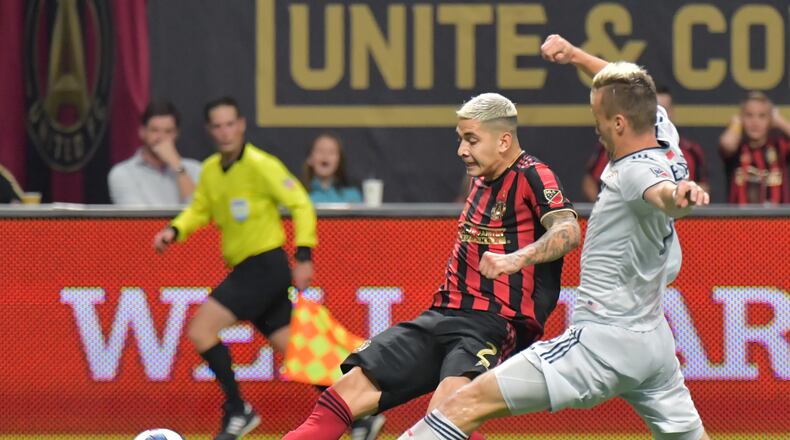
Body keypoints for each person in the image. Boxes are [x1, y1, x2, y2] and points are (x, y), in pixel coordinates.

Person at [399, 37, 711, 440]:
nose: (595, 126)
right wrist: (575, 56)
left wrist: (680, 197)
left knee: (462, 405)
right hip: (653, 343)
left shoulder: (636, 171)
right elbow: (629, 83)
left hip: (601, 343)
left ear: (618, 123)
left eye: (598, 116)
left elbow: (663, 196)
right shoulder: (661, 130)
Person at [284, 93, 581, 440]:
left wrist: (516, 258)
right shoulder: (480, 178)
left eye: (471, 139)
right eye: (460, 139)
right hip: (441, 314)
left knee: (441, 422)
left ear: (503, 140)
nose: (461, 150)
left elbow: (568, 230)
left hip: (491, 325)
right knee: (340, 395)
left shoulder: (534, 175)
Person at [153, 96, 318, 440]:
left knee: (201, 331)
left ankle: (238, 410)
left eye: (231, 124)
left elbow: (300, 203)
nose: (226, 132)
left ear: (242, 125)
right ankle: (357, 412)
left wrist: (303, 256)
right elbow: (200, 209)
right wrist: (176, 229)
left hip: (263, 266)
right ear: (209, 130)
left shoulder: (261, 165)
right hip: (250, 268)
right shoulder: (213, 170)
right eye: (218, 126)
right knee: (295, 351)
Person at [581, 86, 709, 202]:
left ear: (671, 112)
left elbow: (664, 191)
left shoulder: (685, 148)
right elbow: (590, 183)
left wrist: (680, 196)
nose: (658, 117)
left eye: (662, 112)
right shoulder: (622, 149)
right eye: (654, 112)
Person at [108, 100, 201, 206]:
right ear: (142, 132)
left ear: (176, 134)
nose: (161, 138)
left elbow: (198, 212)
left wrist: (177, 165)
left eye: (168, 131)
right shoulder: (123, 173)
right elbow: (136, 218)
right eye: (155, 130)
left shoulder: (196, 169)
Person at [719, 91, 790, 204]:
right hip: (739, 220)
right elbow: (727, 144)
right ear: (742, 118)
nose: (755, 122)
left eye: (762, 116)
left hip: (777, 220)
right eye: (749, 115)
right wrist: (736, 123)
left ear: (770, 120)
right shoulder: (737, 148)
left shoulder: (779, 146)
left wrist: (780, 121)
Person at [301, 132, 363, 203]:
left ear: (339, 160)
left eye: (331, 152)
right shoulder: (298, 194)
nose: (325, 156)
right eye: (320, 150)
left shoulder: (352, 196)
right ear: (309, 159)